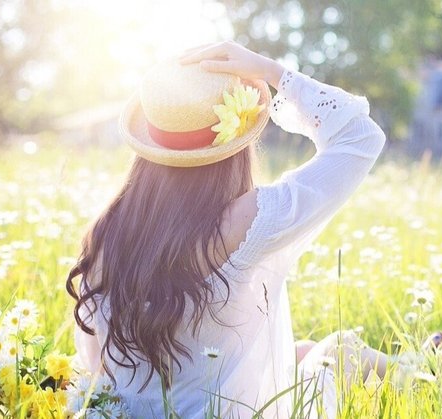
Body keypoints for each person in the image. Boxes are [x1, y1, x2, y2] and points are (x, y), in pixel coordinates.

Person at [66, 41, 423, 418]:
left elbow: (96, 367)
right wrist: (274, 72)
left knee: (298, 351)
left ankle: (419, 360)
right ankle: (423, 371)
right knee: (338, 350)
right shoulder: (245, 222)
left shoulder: (106, 232)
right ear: (235, 144)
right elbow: (361, 136)